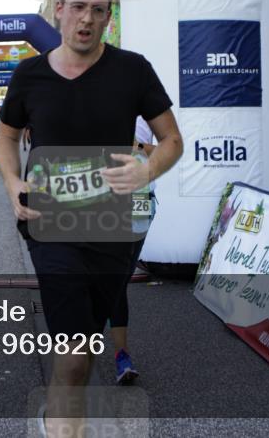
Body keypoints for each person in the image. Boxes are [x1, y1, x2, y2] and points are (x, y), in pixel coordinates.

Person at [0, 0, 183, 435]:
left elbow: (172, 141)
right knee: (74, 353)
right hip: (49, 222)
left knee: (85, 345)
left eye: (98, 10)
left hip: (111, 227)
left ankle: (60, 416)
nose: (87, 19)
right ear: (59, 10)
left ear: (108, 17)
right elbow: (6, 137)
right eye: (78, 7)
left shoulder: (133, 70)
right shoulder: (30, 74)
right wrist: (12, 181)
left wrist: (146, 170)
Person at [108, 116, 158, 384]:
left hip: (140, 202)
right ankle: (121, 355)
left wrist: (136, 146)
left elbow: (166, 150)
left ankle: (120, 354)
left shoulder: (148, 110)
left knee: (118, 283)